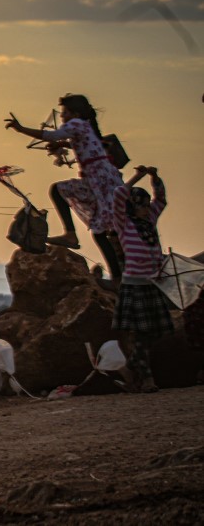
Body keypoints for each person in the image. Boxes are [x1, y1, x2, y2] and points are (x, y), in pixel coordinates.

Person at [5, 94, 124, 282]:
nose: (62, 116)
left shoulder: (76, 124)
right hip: (105, 181)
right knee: (102, 233)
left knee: (57, 190)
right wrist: (64, 144)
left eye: (65, 112)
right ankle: (117, 277)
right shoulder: (86, 126)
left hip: (98, 181)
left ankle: (70, 235)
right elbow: (82, 143)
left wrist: (20, 129)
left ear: (75, 114)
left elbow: (51, 135)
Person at [111, 166, 172, 393]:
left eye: (147, 205)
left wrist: (155, 177)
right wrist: (138, 176)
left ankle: (130, 367)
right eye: (142, 206)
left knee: (156, 332)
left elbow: (161, 199)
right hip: (134, 286)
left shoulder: (150, 222)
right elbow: (119, 195)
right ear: (133, 206)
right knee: (141, 335)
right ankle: (147, 380)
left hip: (151, 284)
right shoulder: (124, 224)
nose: (147, 209)